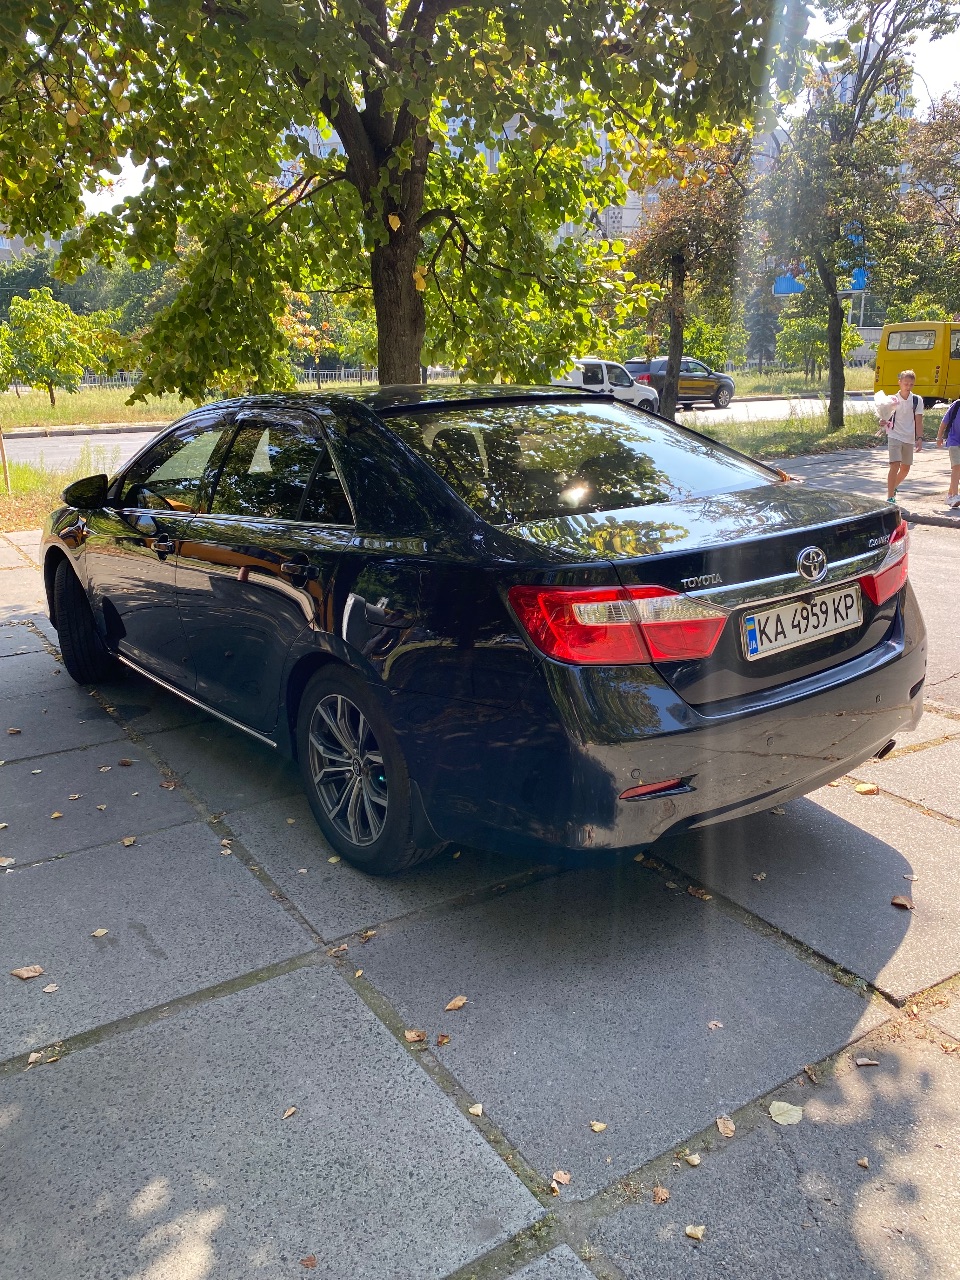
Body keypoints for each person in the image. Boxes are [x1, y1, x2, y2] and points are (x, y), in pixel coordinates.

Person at [882, 369, 924, 503]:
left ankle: (893, 487)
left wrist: (919, 438)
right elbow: (884, 418)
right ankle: (890, 497)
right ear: (899, 382)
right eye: (906, 383)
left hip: (909, 437)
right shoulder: (892, 400)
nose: (908, 386)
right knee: (895, 465)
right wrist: (881, 422)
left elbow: (918, 420)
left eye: (911, 384)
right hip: (894, 435)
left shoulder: (917, 400)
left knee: (905, 468)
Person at [935, 395, 960, 509]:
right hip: (954, 440)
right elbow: (944, 422)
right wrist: (939, 437)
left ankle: (950, 495)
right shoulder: (957, 405)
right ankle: (955, 496)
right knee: (957, 466)